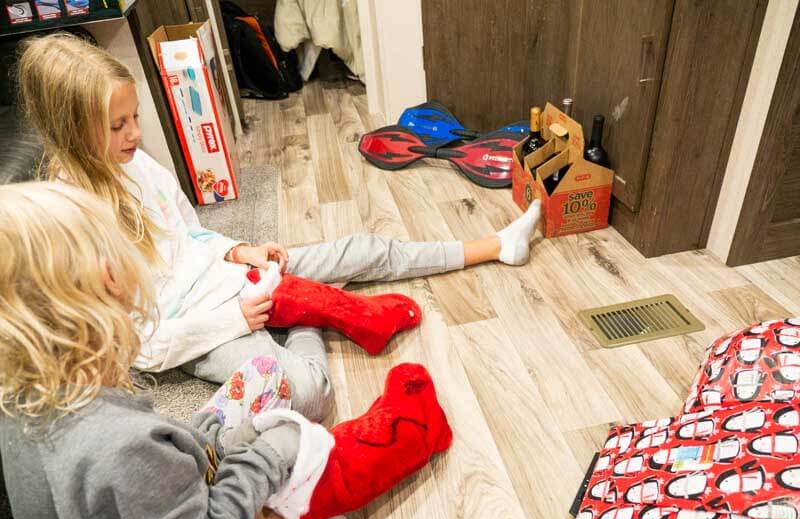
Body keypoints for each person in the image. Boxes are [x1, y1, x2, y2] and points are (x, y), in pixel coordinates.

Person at [17, 33, 542, 422]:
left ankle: (496, 245)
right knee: (310, 395)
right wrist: (242, 320)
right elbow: (141, 347)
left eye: (134, 118)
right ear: (74, 128)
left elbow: (190, 235)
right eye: (118, 126)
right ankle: (307, 313)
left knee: (362, 249)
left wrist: (239, 250)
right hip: (199, 328)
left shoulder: (136, 162)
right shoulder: (72, 222)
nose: (135, 133)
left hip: (227, 280)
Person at [0, 181, 410, 519]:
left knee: (263, 371)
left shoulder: (25, 400)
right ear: (108, 281)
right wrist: (265, 459)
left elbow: (148, 466)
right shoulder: (119, 446)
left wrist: (215, 446)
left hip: (158, 516)